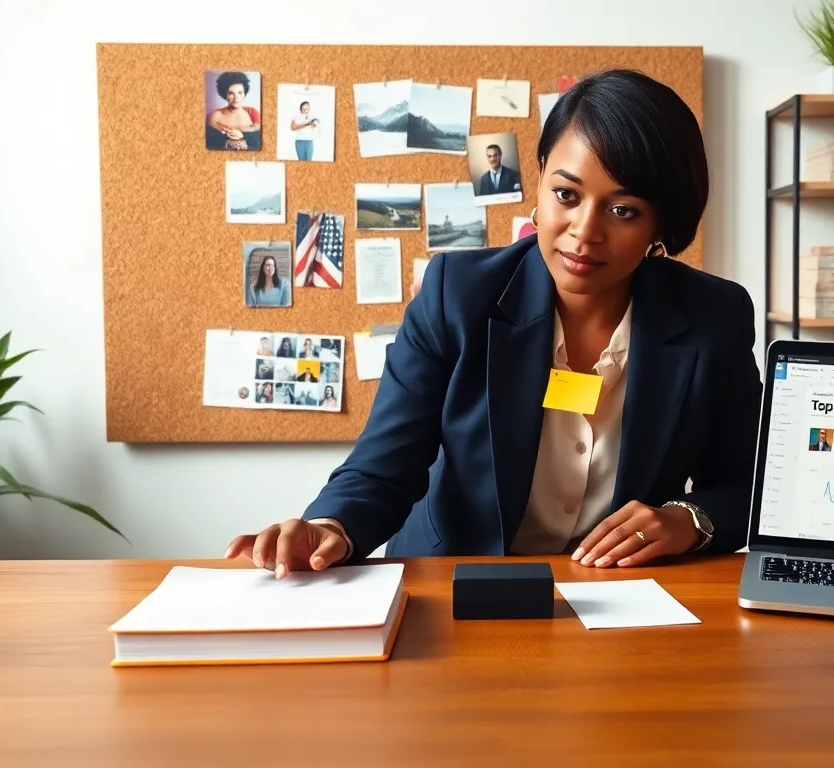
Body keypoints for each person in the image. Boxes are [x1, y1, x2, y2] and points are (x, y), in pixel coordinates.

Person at [226, 69, 761, 579]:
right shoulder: (456, 294)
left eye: (623, 210)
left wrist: (688, 521)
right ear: (541, 176)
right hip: (457, 582)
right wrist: (328, 527)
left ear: (661, 224)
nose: (584, 231)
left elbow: (745, 486)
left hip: (621, 597)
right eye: (566, 195)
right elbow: (384, 465)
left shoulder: (714, 318)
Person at [206, 71, 262, 151]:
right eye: (231, 93)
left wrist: (242, 137)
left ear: (244, 93)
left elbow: (260, 140)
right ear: (225, 95)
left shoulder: (252, 113)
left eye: (240, 92)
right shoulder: (215, 116)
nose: (236, 98)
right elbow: (210, 143)